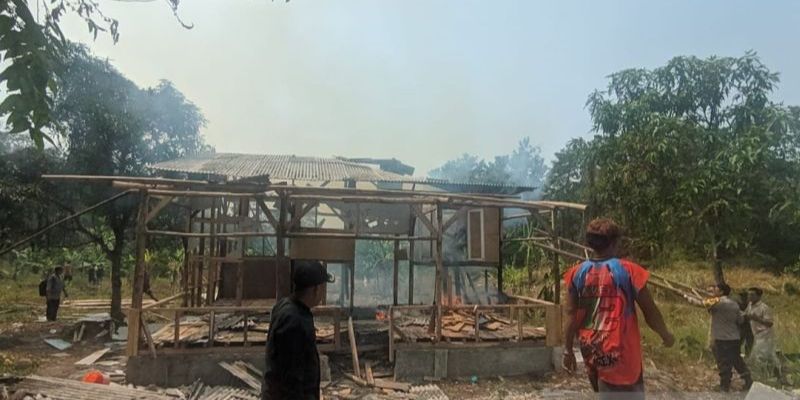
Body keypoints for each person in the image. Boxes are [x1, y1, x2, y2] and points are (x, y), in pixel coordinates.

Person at [563, 218, 674, 400]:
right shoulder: (628, 271)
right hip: (621, 356)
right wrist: (666, 336)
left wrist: (568, 351)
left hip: (590, 351)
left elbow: (570, 315)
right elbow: (651, 312)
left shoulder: (577, 273)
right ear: (614, 242)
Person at [262, 260, 334, 400]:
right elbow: (290, 377)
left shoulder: (286, 306)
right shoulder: (294, 322)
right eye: (323, 288)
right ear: (316, 289)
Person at [703, 283, 753, 392]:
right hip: (734, 338)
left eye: (715, 289)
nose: (713, 290)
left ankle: (724, 385)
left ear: (721, 291)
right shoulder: (734, 304)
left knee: (723, 361)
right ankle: (748, 380)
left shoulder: (716, 303)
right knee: (737, 361)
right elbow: (740, 320)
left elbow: (701, 303)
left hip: (721, 338)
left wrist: (686, 297)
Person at [745, 287, 787, 384]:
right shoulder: (750, 305)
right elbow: (747, 315)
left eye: (752, 295)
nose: (750, 297)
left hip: (765, 334)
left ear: (759, 296)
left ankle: (762, 377)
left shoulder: (764, 308)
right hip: (756, 334)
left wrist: (757, 319)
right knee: (770, 355)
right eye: (749, 294)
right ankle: (780, 374)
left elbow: (769, 323)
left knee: (760, 356)